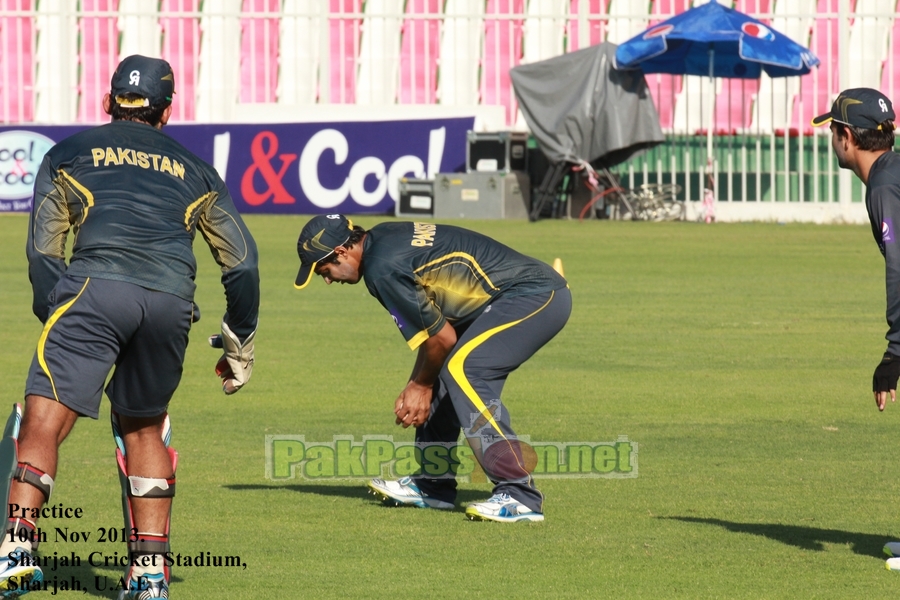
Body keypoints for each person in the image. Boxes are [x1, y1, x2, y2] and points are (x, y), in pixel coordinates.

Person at [2, 55, 260, 598]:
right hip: (171, 302)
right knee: (144, 428)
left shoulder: (68, 152)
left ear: (108, 100)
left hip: (95, 288)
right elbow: (241, 263)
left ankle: (18, 548)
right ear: (167, 111)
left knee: (46, 414)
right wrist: (239, 341)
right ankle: (149, 575)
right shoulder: (199, 171)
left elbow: (43, 251)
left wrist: (58, 309)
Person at [294, 215, 571, 522]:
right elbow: (437, 334)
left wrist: (420, 386)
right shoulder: (382, 237)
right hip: (512, 296)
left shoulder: (381, 269)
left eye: (324, 269)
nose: (329, 279)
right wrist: (419, 381)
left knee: (464, 370)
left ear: (342, 252)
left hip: (533, 296)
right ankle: (433, 486)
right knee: (443, 370)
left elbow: (442, 338)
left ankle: (521, 496)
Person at [812, 88, 900, 570]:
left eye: (833, 131)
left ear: (846, 136)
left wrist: (895, 351)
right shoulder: (894, 172)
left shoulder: (885, 185)